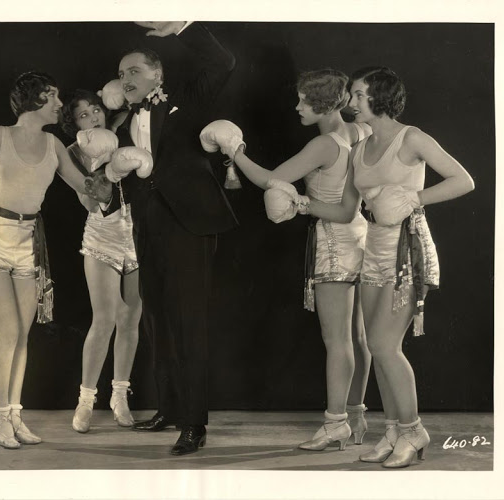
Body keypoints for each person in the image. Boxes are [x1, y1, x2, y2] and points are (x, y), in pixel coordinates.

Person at [286, 66, 474, 467]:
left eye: (358, 95)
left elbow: (463, 180)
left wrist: (415, 199)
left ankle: (413, 431)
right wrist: (299, 204)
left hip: (407, 248)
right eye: (352, 95)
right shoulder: (359, 149)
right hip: (372, 247)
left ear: (380, 98)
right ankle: (392, 432)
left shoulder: (412, 138)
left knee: (386, 346)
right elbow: (344, 210)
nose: (351, 102)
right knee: (376, 345)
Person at [0, 61, 110, 449]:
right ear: (37, 99)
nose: (60, 104)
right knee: (6, 332)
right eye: (54, 96)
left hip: (26, 243)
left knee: (21, 335)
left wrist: (107, 166)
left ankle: (12, 415)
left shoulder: (54, 145)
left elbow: (88, 191)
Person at [203, 69, 373, 451]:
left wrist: (235, 150)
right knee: (357, 337)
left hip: (334, 241)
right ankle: (356, 417)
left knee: (337, 340)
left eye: (303, 100)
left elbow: (272, 181)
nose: (297, 107)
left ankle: (335, 424)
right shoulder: (361, 131)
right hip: (362, 236)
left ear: (324, 105)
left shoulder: (324, 144)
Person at [102, 21, 238, 455]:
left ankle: (194, 424)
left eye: (135, 70)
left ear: (157, 74)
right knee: (157, 320)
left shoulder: (185, 99)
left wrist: (180, 26)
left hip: (190, 225)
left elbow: (223, 62)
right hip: (147, 228)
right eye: (121, 73)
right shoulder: (121, 122)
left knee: (188, 322)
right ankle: (170, 409)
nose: (126, 78)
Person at [59, 89, 142, 432]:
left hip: (138, 231)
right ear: (73, 123)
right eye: (84, 115)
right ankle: (86, 400)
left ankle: (120, 396)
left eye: (95, 109)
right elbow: (92, 203)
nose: (93, 117)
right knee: (104, 319)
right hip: (103, 233)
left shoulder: (124, 131)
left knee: (131, 317)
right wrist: (102, 168)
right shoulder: (71, 153)